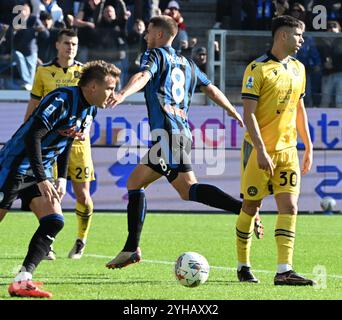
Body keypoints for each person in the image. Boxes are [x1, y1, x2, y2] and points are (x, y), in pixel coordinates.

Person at [105, 15, 250, 270]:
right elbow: (211, 88)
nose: (146, 36)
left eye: (149, 31)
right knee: (137, 182)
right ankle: (131, 248)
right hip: (180, 134)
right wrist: (231, 110)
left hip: (167, 135)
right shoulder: (187, 63)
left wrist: (123, 93)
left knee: (188, 189)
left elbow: (142, 76)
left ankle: (244, 209)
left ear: (160, 35)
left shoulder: (155, 55)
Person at [0, 60, 121, 298]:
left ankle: (23, 280)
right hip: (15, 165)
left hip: (40, 170)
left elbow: (67, 141)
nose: (113, 94)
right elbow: (32, 136)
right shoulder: (62, 99)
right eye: (109, 88)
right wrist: (43, 177)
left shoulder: (91, 109)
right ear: (93, 87)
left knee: (54, 220)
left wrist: (61, 178)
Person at [236, 15, 315, 285]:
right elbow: (249, 115)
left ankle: (284, 270)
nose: (301, 40)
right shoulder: (257, 69)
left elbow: (299, 108)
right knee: (250, 206)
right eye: (297, 35)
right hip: (260, 150)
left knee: (290, 206)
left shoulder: (299, 69)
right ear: (282, 36)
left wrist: (308, 143)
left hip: (288, 151)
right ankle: (243, 265)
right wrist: (260, 150)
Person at [23, 29, 95, 260]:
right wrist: (25, 131)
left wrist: (86, 128)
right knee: (51, 194)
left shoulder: (84, 72)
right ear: (57, 45)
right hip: (51, 143)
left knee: (82, 195)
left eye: (74, 44)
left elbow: (92, 106)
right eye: (66, 43)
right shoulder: (43, 72)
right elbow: (33, 106)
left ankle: (81, 239)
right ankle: (49, 243)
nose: (70, 48)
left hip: (77, 144)